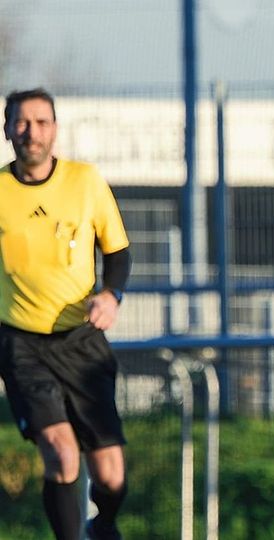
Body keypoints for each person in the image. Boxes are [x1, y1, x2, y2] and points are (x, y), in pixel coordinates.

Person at [1, 88, 132, 540]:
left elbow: (117, 252)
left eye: (40, 122)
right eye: (21, 122)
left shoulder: (85, 181)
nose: (30, 132)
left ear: (54, 129)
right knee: (60, 454)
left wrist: (111, 295)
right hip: (21, 343)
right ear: (6, 129)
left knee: (112, 475)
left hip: (82, 342)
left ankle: (104, 525)